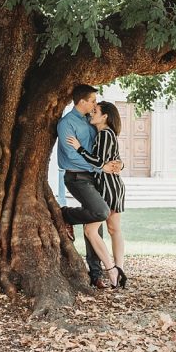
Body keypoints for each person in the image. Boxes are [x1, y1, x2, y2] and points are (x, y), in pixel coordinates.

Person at [56, 84, 123, 288]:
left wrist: (118, 164)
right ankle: (66, 214)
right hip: (77, 177)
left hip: (96, 176)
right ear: (82, 101)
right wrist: (101, 167)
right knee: (100, 212)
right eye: (93, 100)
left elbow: (107, 149)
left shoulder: (92, 121)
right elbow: (71, 155)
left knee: (95, 222)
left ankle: (95, 274)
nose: (95, 104)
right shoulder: (66, 124)